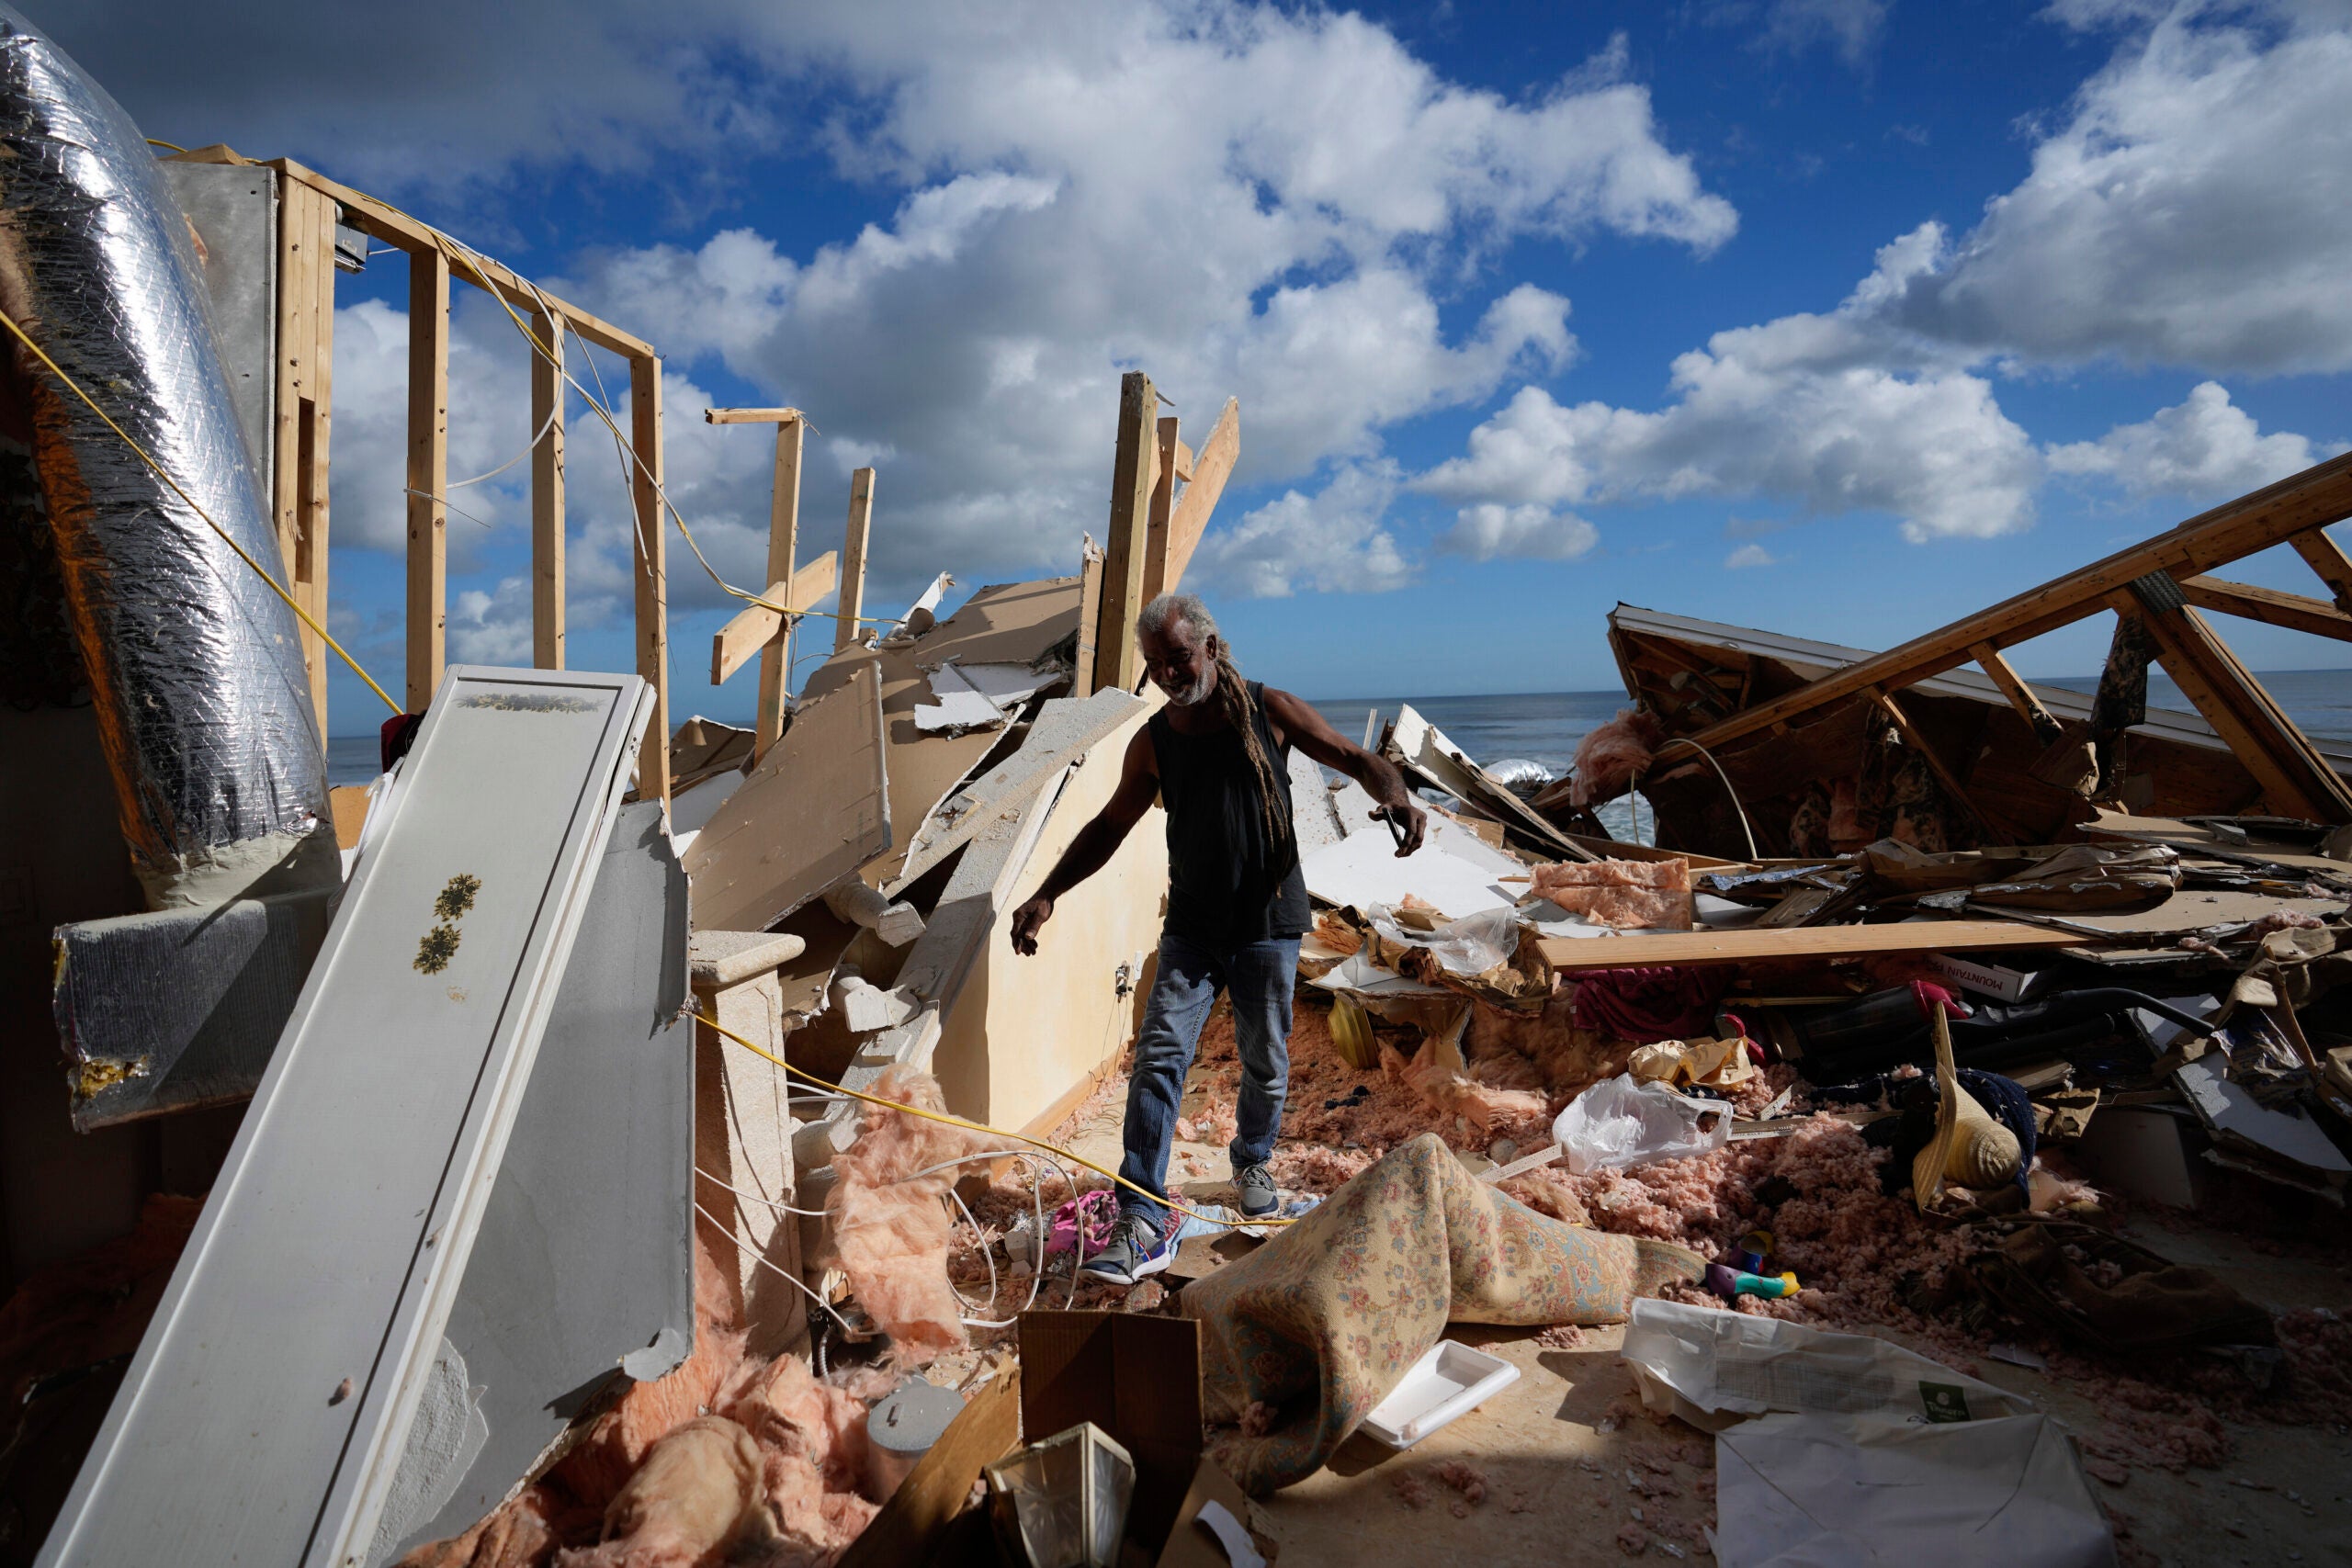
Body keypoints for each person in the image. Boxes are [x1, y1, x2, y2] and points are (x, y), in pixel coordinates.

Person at [1009, 592, 1426, 1284]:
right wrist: (1048, 892)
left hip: (1267, 923)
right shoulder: (1155, 741)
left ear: (1209, 646)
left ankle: (1253, 1159)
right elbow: (1109, 826)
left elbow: (1357, 758)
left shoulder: (1270, 709)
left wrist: (1399, 795)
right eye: (1157, 665)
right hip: (1193, 930)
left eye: (1179, 658)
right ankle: (1141, 1211)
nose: (1171, 674)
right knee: (1158, 1059)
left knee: (1265, 1056)